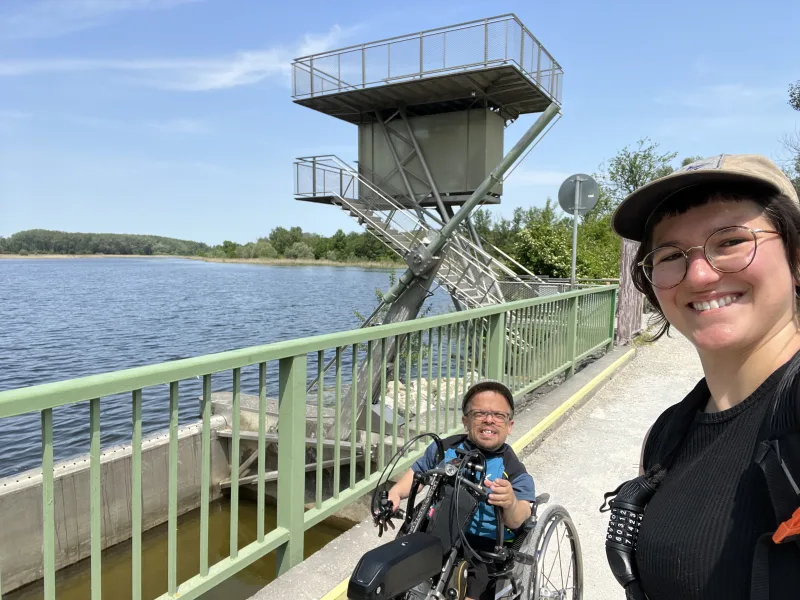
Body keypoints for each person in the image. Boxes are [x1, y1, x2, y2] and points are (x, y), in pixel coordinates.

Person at [608, 154, 800, 599]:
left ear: (794, 255)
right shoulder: (669, 434)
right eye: (672, 254)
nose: (699, 274)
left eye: (731, 241)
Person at [387, 379, 535, 600]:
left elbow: (520, 517)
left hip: (484, 547)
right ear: (465, 421)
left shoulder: (512, 469)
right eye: (479, 414)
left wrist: (511, 502)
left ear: (509, 425)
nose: (489, 420)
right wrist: (395, 495)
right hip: (438, 532)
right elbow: (417, 475)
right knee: (392, 579)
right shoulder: (445, 449)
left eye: (498, 415)